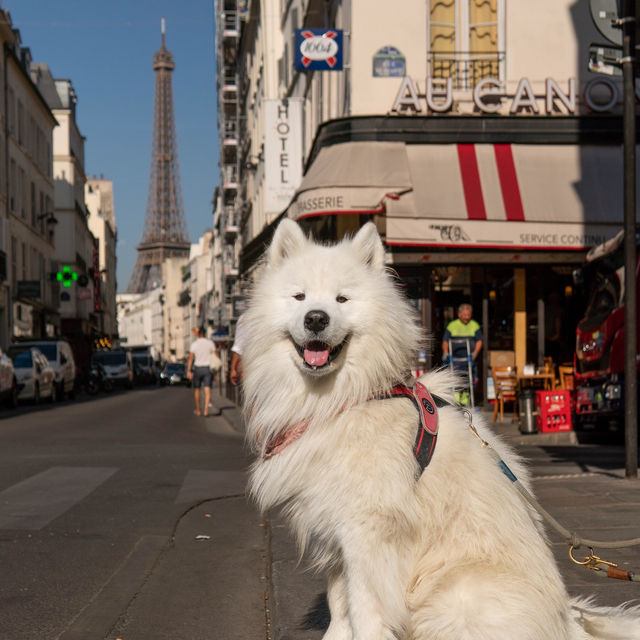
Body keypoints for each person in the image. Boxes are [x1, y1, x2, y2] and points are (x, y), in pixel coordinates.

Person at [442, 303, 483, 404]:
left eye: (468, 315)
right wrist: (445, 352)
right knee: (455, 379)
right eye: (464, 315)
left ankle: (465, 400)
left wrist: (475, 353)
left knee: (469, 380)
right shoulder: (452, 325)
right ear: (459, 314)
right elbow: (445, 341)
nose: (466, 317)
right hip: (454, 359)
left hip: (468, 359)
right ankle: (455, 400)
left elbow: (479, 341)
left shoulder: (474, 325)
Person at [186, 327, 217, 416]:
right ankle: (206, 410)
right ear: (205, 334)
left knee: (197, 390)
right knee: (207, 390)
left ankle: (198, 410)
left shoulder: (194, 344)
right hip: (208, 368)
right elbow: (215, 356)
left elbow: (191, 358)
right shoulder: (210, 343)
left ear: (198, 334)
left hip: (198, 369)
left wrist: (188, 371)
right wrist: (215, 372)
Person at [230, 313, 247, 386]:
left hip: (251, 368)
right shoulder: (276, 313)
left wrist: (233, 370)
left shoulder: (245, 318)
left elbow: (238, 348)